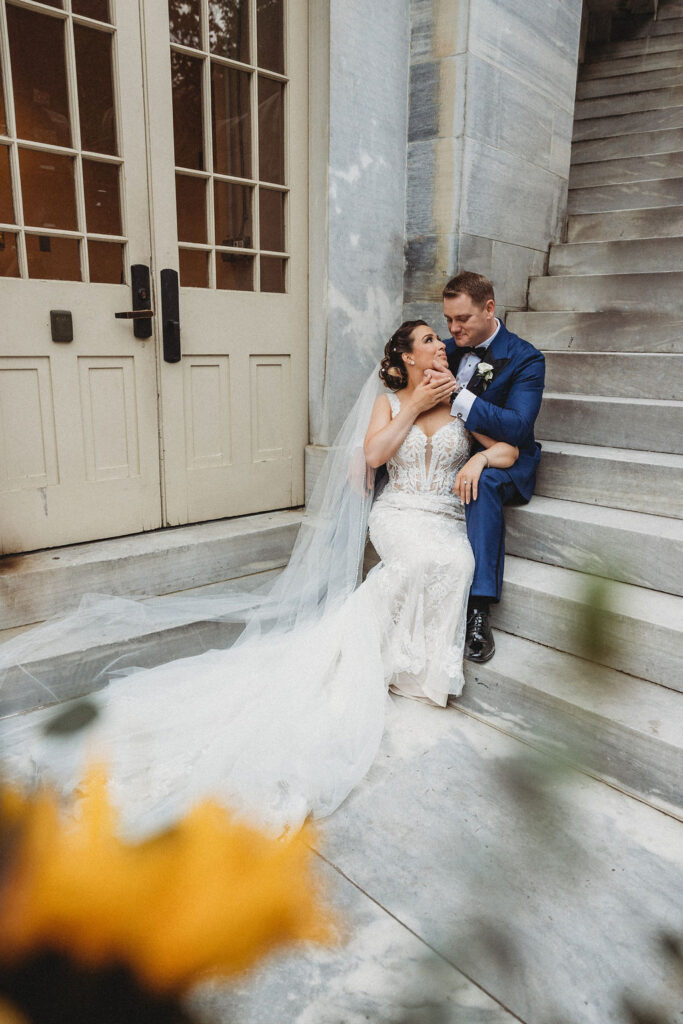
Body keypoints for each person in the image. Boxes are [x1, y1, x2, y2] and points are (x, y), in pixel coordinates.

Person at [0, 320, 518, 838]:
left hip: (444, 516)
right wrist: (412, 405)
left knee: (456, 563)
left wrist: (478, 458)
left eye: (440, 339)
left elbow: (510, 450)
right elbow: (375, 455)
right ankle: (377, 651)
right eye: (429, 339)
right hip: (400, 512)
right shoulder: (389, 400)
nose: (442, 345)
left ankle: (418, 666)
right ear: (407, 358)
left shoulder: (461, 400)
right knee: (415, 563)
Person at [430, 272, 545, 664]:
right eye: (447, 319)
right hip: (454, 451)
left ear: (489, 308)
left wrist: (457, 395)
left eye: (462, 319)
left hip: (505, 460)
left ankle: (478, 609)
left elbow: (516, 427)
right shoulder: (445, 349)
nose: (453, 328)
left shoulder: (526, 358)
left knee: (484, 483)